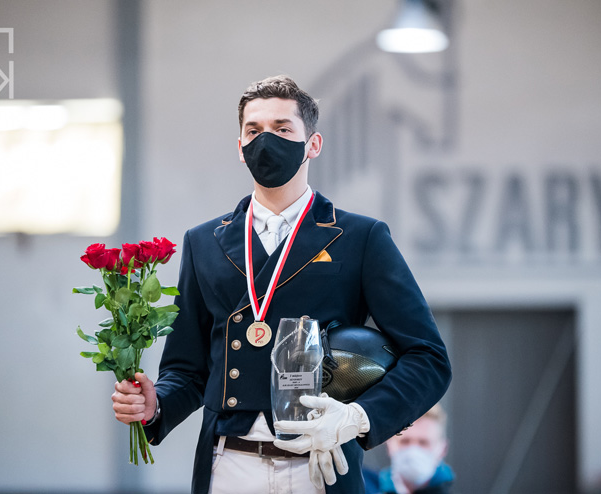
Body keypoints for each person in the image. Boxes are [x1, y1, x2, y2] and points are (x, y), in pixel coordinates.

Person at [111, 75, 451, 494]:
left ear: (313, 144)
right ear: (240, 147)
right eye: (253, 131)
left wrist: (358, 417)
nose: (265, 141)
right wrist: (156, 403)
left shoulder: (360, 237)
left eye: (282, 129)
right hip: (228, 463)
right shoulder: (203, 242)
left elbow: (429, 357)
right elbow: (187, 368)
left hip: (321, 465)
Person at [364, 404, 454, 494]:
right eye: (405, 441)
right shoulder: (363, 486)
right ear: (389, 446)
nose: (413, 450)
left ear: (443, 449)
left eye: (423, 442)